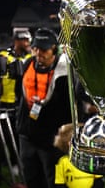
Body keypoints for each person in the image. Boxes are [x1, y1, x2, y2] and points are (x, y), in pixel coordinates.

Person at [16, 28, 72, 188]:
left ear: (54, 48)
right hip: (28, 135)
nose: (38, 53)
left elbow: (70, 104)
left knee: (53, 180)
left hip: (52, 137)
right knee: (31, 178)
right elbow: (20, 95)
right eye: (35, 48)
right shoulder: (28, 64)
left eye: (43, 49)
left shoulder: (64, 70)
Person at [0, 30, 32, 173]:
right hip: (2, 101)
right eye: (24, 40)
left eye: (28, 40)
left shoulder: (30, 57)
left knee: (17, 136)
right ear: (16, 41)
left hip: (20, 102)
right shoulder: (4, 55)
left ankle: (16, 163)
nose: (27, 43)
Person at [53, 123, 104, 188]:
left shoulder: (92, 160)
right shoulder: (62, 161)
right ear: (69, 143)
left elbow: (99, 181)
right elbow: (59, 183)